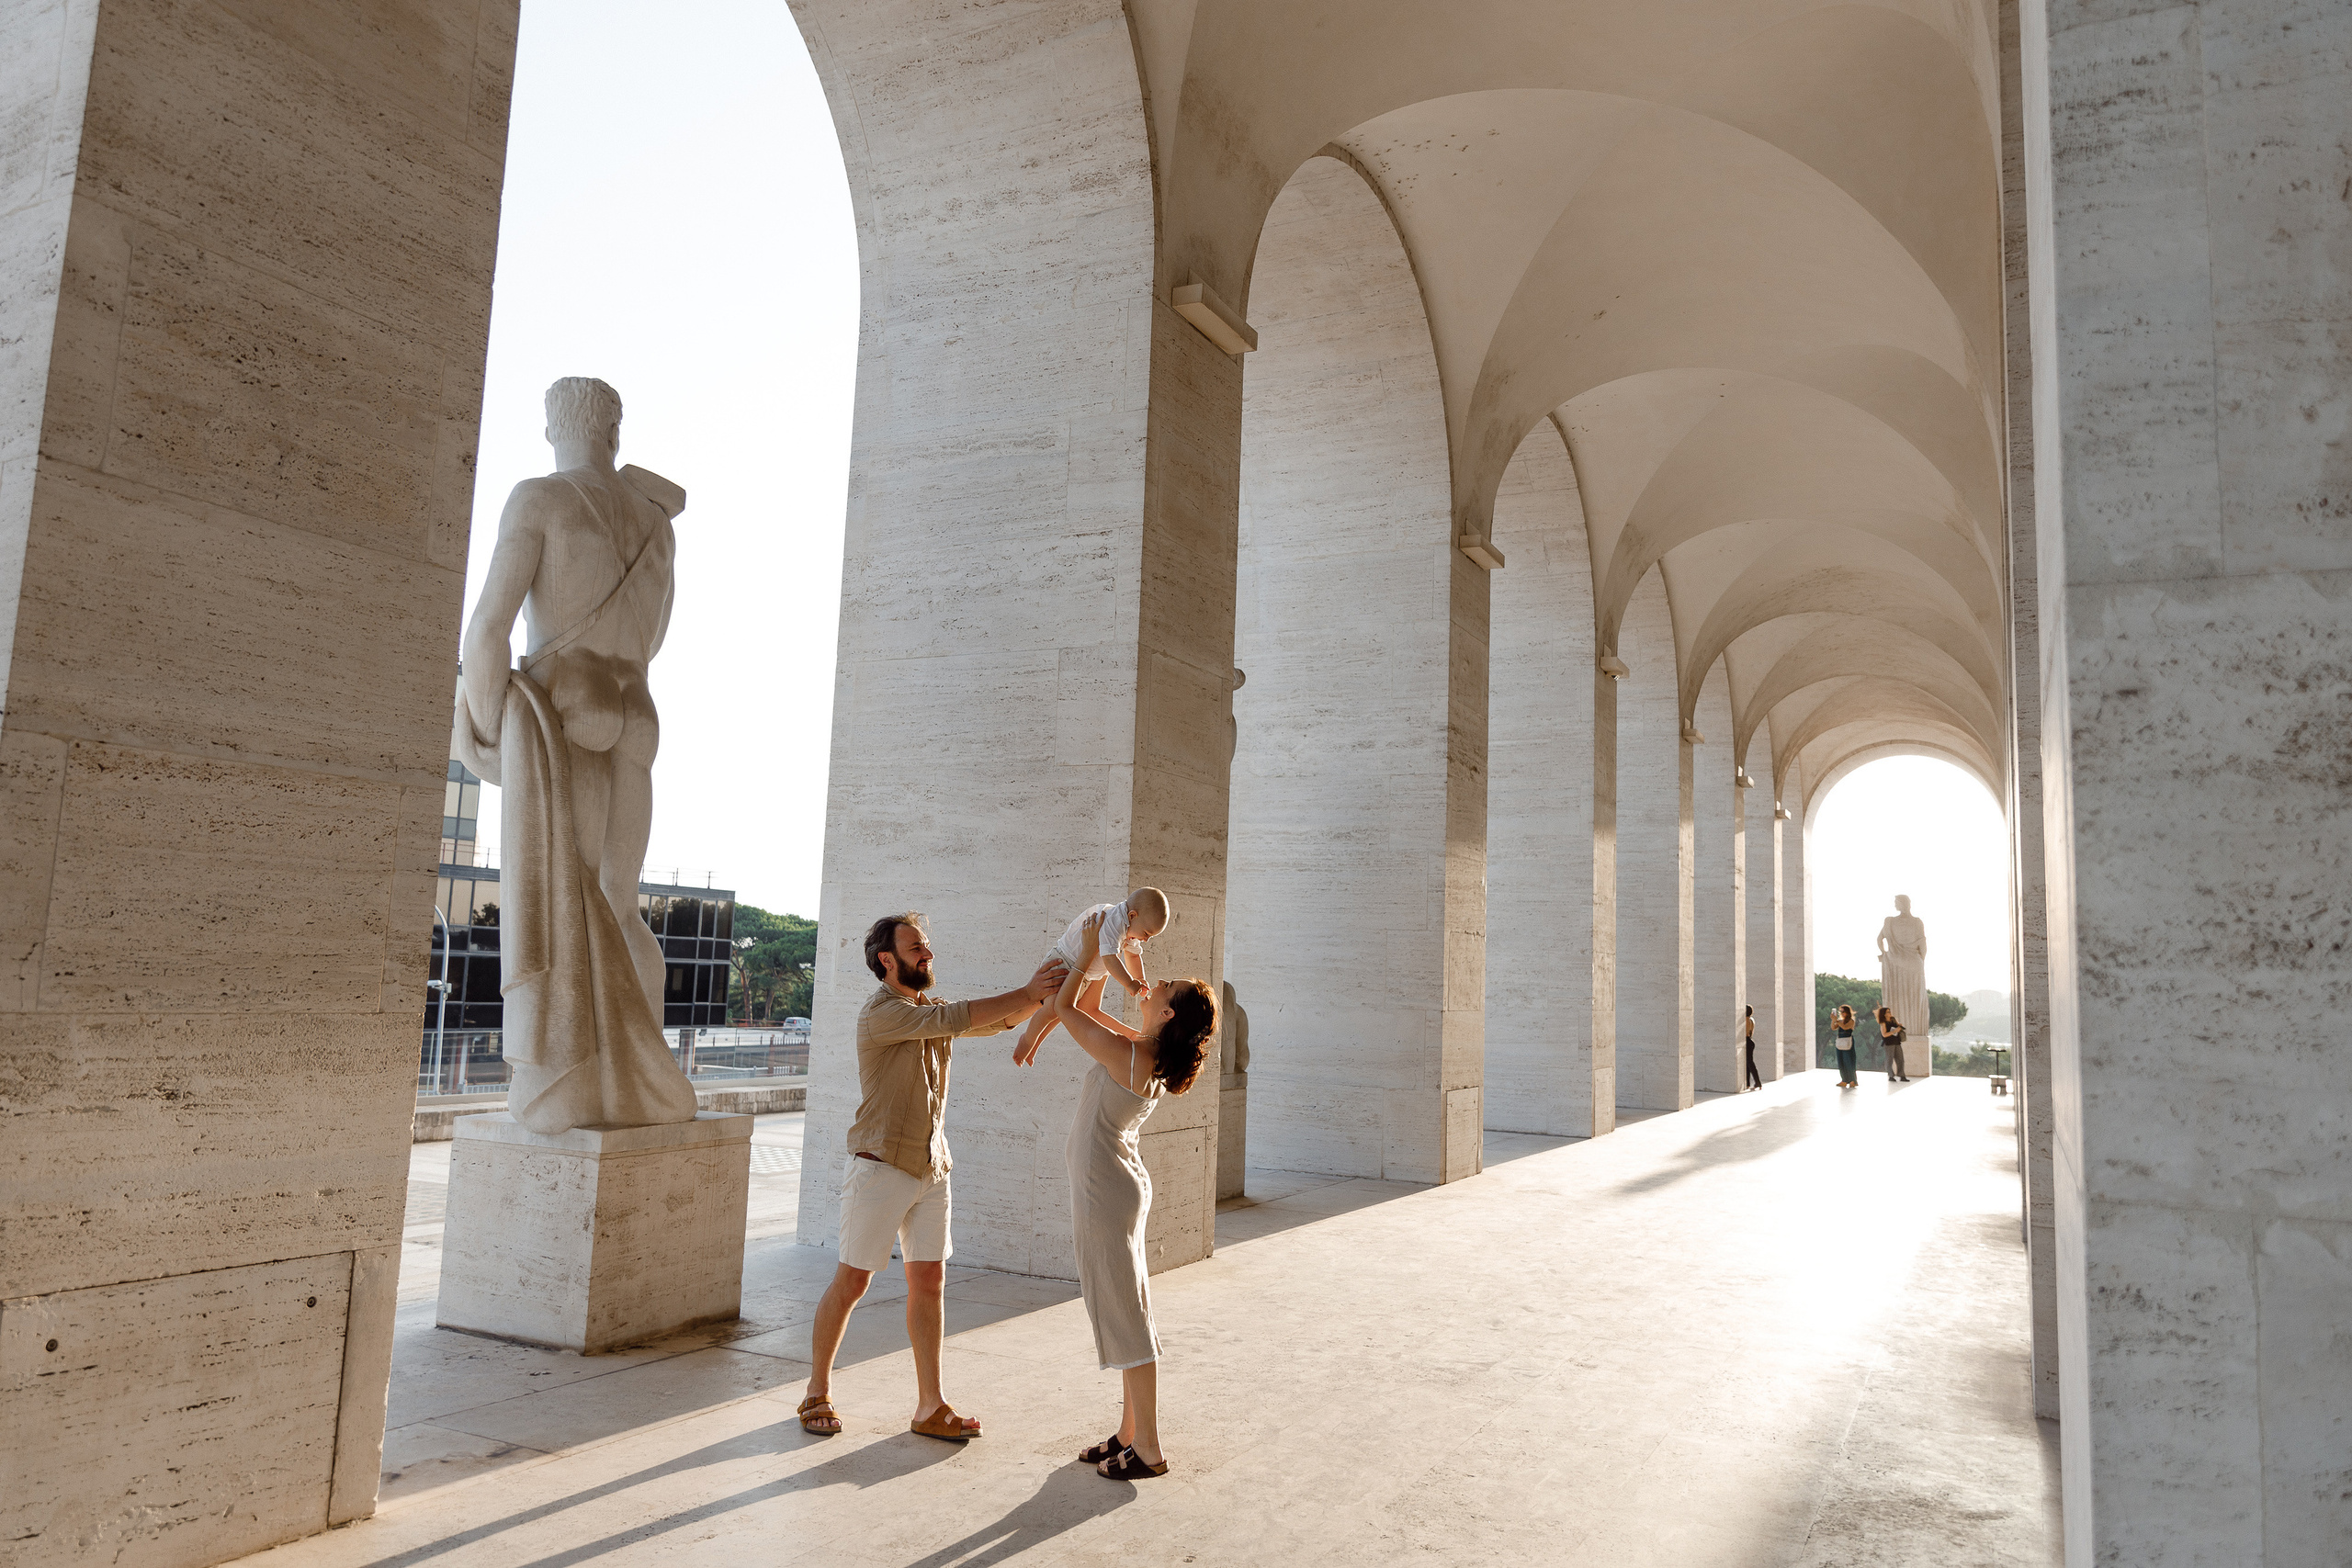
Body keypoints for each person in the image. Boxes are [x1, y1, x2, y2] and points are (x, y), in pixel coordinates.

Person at [797, 914, 1066, 1440]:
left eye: (928, 946)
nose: (928, 955)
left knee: (930, 1283)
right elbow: (962, 1017)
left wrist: (1039, 995)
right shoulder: (881, 1013)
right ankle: (816, 1390)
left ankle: (929, 1406)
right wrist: (1028, 991)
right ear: (886, 961)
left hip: (932, 1166)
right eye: (917, 948)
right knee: (852, 1282)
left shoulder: (929, 1010)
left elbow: (987, 1022)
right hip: (880, 1168)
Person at [1016, 917, 1216, 1481]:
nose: (1150, 986)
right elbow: (1093, 1009)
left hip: (1108, 1191)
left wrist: (1086, 951)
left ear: (1169, 1014)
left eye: (1162, 989)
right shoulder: (1136, 1048)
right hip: (1115, 1185)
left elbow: (1064, 1009)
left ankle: (1148, 1448)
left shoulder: (1132, 1055)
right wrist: (1112, 950)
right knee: (1127, 1307)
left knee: (1127, 1316)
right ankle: (1129, 1433)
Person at [1012, 888, 1170, 1066]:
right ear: (1132, 915)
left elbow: (1133, 956)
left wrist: (1139, 978)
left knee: (1060, 1014)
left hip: (1083, 973)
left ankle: (1035, 1046)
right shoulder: (1113, 921)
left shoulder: (1130, 929)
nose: (1146, 940)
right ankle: (1026, 1040)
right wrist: (1130, 983)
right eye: (1147, 934)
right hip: (1064, 962)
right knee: (1052, 1008)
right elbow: (1110, 959)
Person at [1878, 1005, 1911, 1082]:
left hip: (1896, 1041)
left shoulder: (1893, 1019)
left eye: (1889, 1011)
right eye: (1888, 1012)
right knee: (1889, 1059)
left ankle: (1902, 1075)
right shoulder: (1883, 1023)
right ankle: (1891, 1075)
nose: (1889, 1013)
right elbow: (1884, 1034)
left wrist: (1899, 1026)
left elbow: (1897, 1025)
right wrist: (1894, 1031)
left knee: (1900, 1059)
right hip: (1888, 1042)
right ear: (1884, 1014)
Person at [1833, 1005, 1859, 1088]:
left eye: (1843, 1011)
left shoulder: (1851, 1021)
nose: (1842, 1013)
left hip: (1848, 1042)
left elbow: (1845, 1027)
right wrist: (1833, 1020)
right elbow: (1833, 1027)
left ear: (1847, 1012)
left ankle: (1852, 1080)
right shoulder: (1840, 1021)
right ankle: (1844, 1080)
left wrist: (1837, 1021)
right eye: (1841, 1012)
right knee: (1841, 1061)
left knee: (1849, 1061)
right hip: (1840, 1042)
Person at [1741, 1005, 1762, 1090]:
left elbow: (1742, 1033)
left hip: (1746, 1041)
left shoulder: (1744, 1020)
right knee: (1748, 1063)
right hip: (1750, 1041)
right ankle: (1748, 1083)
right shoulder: (1751, 1020)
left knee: (1750, 1063)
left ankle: (1757, 1082)